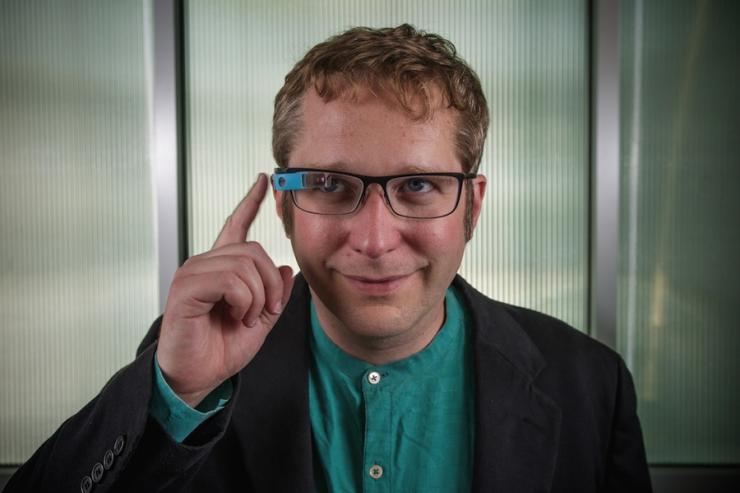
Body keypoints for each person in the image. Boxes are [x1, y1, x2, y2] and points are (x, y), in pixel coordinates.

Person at [6, 24, 652, 492]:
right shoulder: (191, 365)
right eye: (330, 185)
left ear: (472, 206)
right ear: (284, 205)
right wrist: (173, 392)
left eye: (418, 185)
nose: (374, 239)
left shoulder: (589, 382)